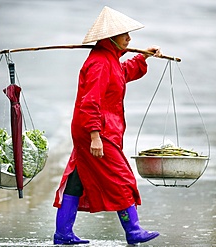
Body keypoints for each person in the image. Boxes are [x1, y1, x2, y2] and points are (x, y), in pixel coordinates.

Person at [53, 6, 161, 245]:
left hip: (100, 130)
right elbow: (89, 102)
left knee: (77, 179)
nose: (130, 39)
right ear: (110, 38)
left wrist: (142, 57)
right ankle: (133, 230)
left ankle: (62, 234)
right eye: (125, 35)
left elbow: (121, 74)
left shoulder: (109, 60)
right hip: (96, 131)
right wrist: (95, 136)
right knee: (121, 178)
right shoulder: (100, 63)